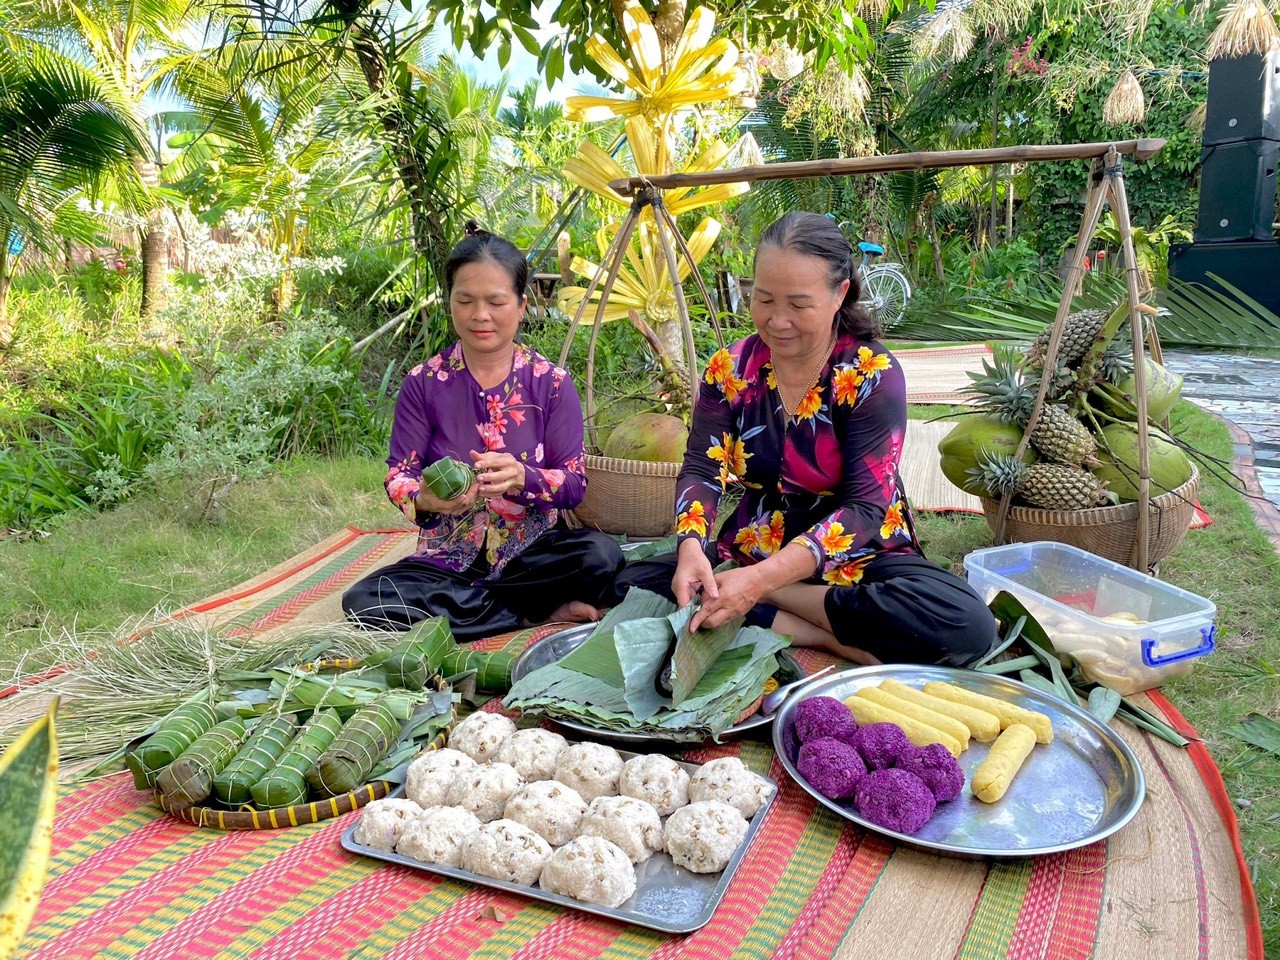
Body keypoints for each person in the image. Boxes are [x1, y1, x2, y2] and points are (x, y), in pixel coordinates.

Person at [615, 212, 997, 666]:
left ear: (840, 294)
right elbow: (702, 467)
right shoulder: (729, 369)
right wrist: (691, 545)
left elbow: (865, 509)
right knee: (626, 584)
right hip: (758, 544)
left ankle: (766, 603)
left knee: (964, 623)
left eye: (798, 304)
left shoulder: (870, 374)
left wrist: (759, 581)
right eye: (763, 298)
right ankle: (824, 635)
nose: (777, 321)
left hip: (859, 556)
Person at [342, 222, 624, 641]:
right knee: (364, 599)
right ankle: (531, 613)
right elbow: (398, 474)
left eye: (496, 301)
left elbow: (575, 483)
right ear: (449, 302)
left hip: (532, 556)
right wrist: (424, 498)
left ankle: (481, 610)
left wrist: (523, 477)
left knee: (601, 555)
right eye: (466, 300)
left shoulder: (553, 383)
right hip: (448, 557)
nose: (480, 315)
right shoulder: (424, 383)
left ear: (521, 305)